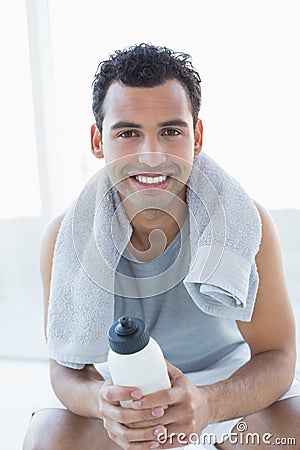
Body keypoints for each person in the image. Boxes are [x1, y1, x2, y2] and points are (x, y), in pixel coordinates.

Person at [23, 43, 300, 450]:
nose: (151, 156)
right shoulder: (64, 238)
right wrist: (104, 403)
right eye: (128, 133)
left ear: (197, 136)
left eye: (171, 131)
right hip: (120, 392)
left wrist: (207, 404)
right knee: (48, 439)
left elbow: (278, 356)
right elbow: (65, 372)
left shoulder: (246, 225)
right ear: (99, 141)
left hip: (223, 384)